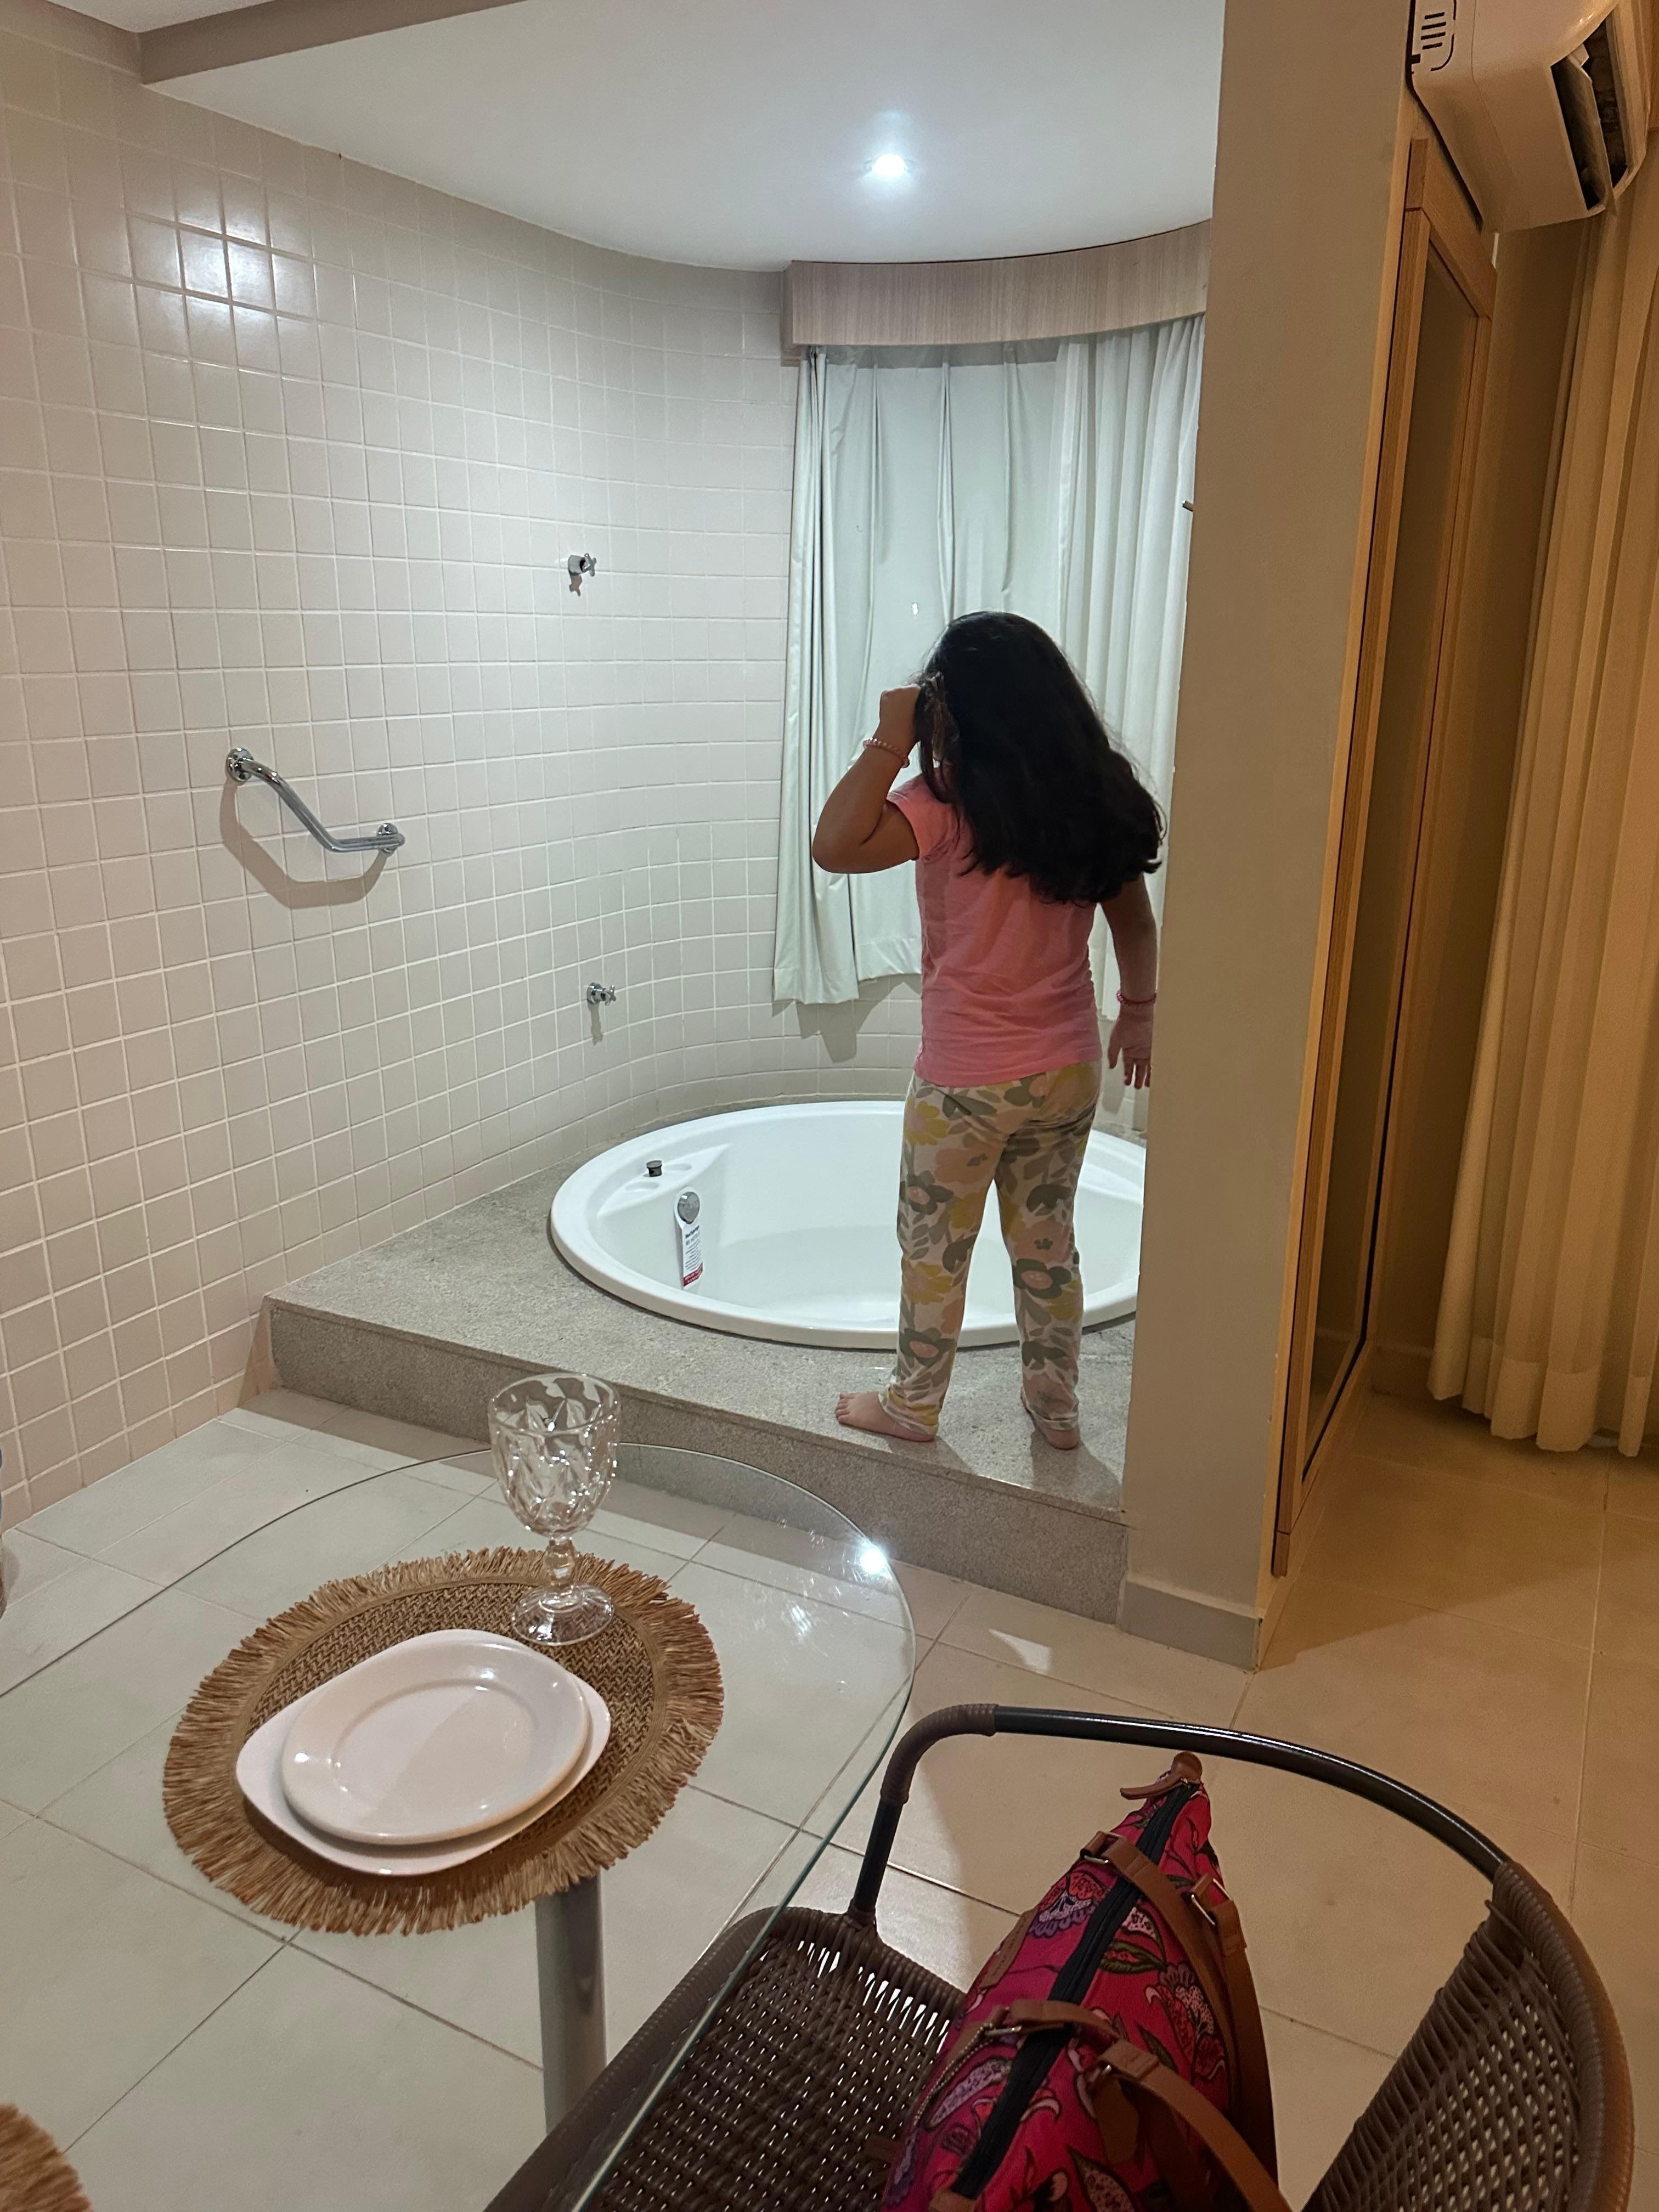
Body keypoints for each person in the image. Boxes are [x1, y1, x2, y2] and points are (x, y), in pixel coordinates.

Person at [810, 611, 1162, 1451]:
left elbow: (833, 846)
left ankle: (913, 1407)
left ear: (953, 707)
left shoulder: (942, 803)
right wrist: (1139, 1012)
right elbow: (1134, 922)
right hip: (1067, 1069)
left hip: (965, 1083)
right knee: (1048, 1247)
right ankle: (1057, 1409)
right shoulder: (1093, 794)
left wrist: (888, 740)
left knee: (934, 1250)